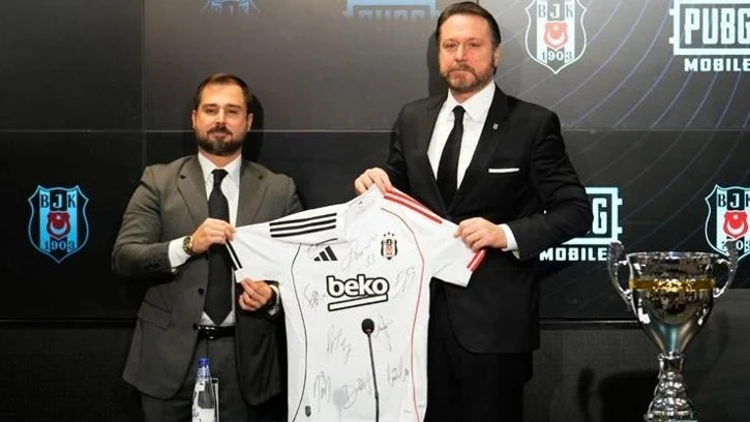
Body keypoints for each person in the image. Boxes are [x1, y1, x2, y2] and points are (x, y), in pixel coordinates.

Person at [353, 3, 593, 421]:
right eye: (450, 45)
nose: (460, 55)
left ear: (496, 54)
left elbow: (575, 212)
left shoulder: (532, 124)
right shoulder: (413, 118)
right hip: (415, 324)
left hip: (494, 329)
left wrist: (506, 234)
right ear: (438, 54)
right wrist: (376, 182)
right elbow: (397, 187)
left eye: (473, 45)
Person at [112, 73, 302, 422]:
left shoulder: (279, 189)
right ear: (194, 117)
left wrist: (272, 297)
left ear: (248, 122)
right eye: (211, 110)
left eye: (232, 111)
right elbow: (125, 257)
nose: (220, 120)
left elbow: (302, 272)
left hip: (247, 364)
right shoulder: (158, 181)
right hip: (166, 361)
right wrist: (188, 245)